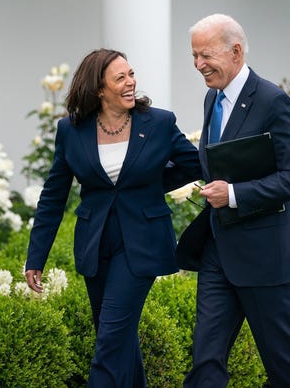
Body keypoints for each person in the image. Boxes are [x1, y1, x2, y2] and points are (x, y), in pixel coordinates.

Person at [25, 48, 201, 387]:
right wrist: (36, 257)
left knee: (109, 339)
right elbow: (53, 195)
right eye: (120, 78)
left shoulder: (159, 122)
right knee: (116, 336)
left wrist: (149, 186)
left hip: (142, 244)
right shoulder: (71, 130)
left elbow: (193, 164)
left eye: (131, 74)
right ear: (98, 89)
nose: (131, 82)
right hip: (96, 243)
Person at [177, 14, 290, 387]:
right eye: (194, 56)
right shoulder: (211, 98)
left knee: (286, 366)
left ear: (236, 51)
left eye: (205, 55)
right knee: (205, 360)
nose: (198, 65)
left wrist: (233, 194)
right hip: (218, 251)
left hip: (266, 255)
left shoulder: (273, 101)